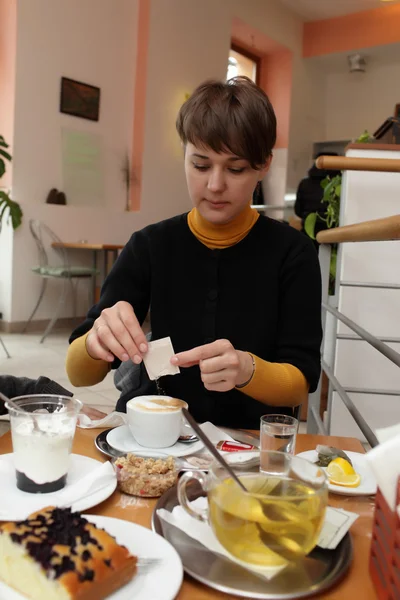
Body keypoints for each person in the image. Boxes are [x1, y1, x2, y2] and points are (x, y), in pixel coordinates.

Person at [66, 76, 322, 429]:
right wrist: (96, 343)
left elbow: (300, 382)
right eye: (200, 165)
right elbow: (78, 374)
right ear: (184, 154)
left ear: (264, 165)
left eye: (236, 169)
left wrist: (248, 370)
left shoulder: (293, 253)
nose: (215, 185)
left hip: (246, 443)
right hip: (152, 438)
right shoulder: (149, 246)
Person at [294, 152, 338, 236]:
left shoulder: (304, 183)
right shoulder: (337, 184)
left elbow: (298, 210)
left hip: (308, 230)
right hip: (331, 231)